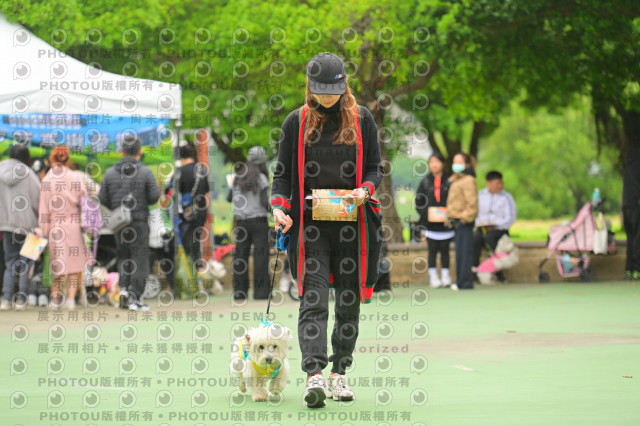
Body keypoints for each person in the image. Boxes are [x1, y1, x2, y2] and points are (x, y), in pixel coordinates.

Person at [271, 52, 383, 408]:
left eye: (332, 92)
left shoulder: (362, 119)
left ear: (344, 86)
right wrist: (278, 207)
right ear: (309, 87)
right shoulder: (296, 121)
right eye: (319, 91)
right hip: (311, 227)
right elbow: (282, 173)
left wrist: (365, 189)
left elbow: (375, 168)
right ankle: (314, 374)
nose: (327, 98)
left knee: (349, 302)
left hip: (352, 224)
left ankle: (339, 372)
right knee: (313, 299)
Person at [99, 137, 160, 310]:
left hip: (120, 223)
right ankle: (136, 297)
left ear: (121, 152)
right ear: (139, 152)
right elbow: (153, 197)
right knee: (140, 258)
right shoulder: (145, 172)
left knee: (123, 256)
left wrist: (117, 209)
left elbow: (102, 198)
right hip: (139, 221)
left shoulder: (110, 173)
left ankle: (124, 291)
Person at [38, 146, 88, 309]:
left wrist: (44, 231)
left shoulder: (47, 180)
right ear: (67, 159)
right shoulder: (75, 177)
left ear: (52, 159)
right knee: (74, 264)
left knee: (56, 263)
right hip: (73, 224)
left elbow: (44, 210)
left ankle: (55, 299)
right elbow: (85, 201)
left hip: (55, 226)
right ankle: (70, 300)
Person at [0, 145, 41, 310]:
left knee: (10, 262)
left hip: (6, 225)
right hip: (28, 226)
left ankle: (6, 299)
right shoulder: (29, 174)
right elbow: (38, 199)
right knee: (26, 262)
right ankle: (21, 299)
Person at [228, 146, 271, 300]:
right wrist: (277, 210)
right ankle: (261, 293)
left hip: (241, 223)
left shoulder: (238, 177)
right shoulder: (261, 178)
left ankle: (240, 293)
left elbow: (229, 198)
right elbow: (264, 202)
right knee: (260, 256)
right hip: (259, 222)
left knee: (240, 256)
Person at [415, 152, 453, 288]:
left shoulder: (449, 180)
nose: (434, 165)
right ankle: (433, 277)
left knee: (445, 250)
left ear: (442, 163)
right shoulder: (425, 182)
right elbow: (419, 201)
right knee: (432, 250)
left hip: (446, 224)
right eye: (431, 162)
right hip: (429, 224)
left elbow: (455, 200)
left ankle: (446, 276)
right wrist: (427, 214)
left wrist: (450, 213)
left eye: (437, 161)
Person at [176, 142, 210, 293]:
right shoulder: (201, 169)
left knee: (187, 246)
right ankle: (200, 278)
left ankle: (190, 279)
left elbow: (174, 192)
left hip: (186, 214)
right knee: (197, 243)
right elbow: (206, 190)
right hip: (201, 211)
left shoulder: (180, 172)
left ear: (181, 157)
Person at [473, 170, 517, 282]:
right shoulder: (479, 195)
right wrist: (480, 223)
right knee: (475, 238)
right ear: (488, 183)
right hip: (481, 228)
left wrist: (496, 225)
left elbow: (511, 217)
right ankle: (475, 270)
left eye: (501, 183)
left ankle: (498, 272)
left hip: (499, 229)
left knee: (491, 237)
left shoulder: (507, 197)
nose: (500, 186)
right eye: (497, 183)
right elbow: (474, 213)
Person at [446, 152, 478, 291]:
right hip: (457, 220)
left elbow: (472, 203)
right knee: (459, 252)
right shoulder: (457, 179)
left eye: (459, 162)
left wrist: (465, 218)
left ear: (467, 164)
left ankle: (465, 282)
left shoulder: (468, 180)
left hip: (464, 221)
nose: (456, 165)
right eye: (455, 162)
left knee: (465, 253)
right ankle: (460, 281)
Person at [623, 146, 640, 280]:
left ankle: (629, 269)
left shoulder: (629, 163)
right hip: (636, 204)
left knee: (630, 237)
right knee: (637, 238)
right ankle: (637, 270)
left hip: (626, 204)